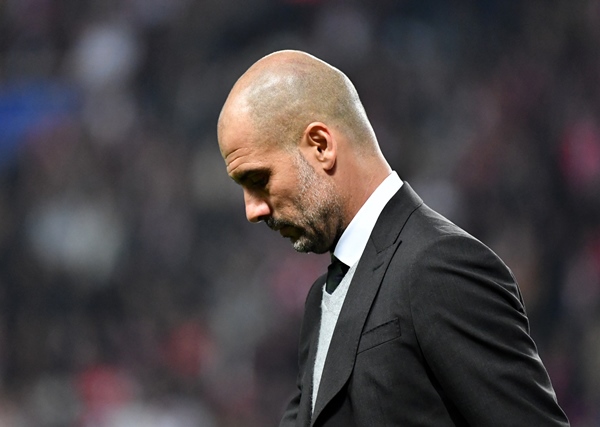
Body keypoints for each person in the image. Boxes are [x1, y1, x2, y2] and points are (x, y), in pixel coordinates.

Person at [216, 50, 569, 426]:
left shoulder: (439, 267)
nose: (253, 210)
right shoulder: (321, 300)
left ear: (321, 145)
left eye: (258, 179)